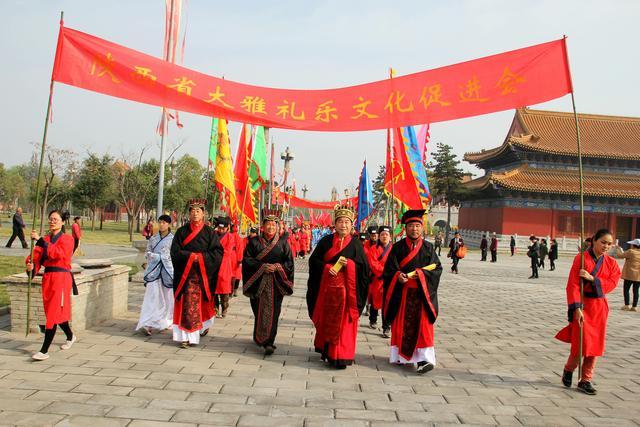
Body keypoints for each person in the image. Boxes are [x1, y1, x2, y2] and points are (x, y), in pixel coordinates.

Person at [555, 229, 620, 395]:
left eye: (609, 243)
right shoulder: (581, 258)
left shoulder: (612, 263)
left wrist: (592, 278)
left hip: (599, 308)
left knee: (595, 347)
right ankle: (569, 369)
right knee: (580, 344)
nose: (606, 246)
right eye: (603, 242)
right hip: (583, 305)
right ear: (594, 241)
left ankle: (586, 379)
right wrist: (576, 308)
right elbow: (573, 285)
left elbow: (612, 283)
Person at [307, 204, 370, 369]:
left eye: (347, 222)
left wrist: (348, 265)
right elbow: (314, 262)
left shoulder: (356, 245)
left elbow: (364, 270)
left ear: (352, 225)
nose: (343, 225)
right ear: (335, 224)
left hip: (348, 295)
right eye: (340, 221)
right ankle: (326, 350)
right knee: (327, 321)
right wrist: (328, 268)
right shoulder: (326, 241)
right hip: (327, 291)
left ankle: (341, 355)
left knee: (344, 326)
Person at [383, 209, 443, 374]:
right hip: (403, 293)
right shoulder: (397, 248)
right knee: (402, 325)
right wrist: (398, 276)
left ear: (422, 228)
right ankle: (401, 357)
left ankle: (425, 359)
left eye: (417, 226)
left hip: (422, 294)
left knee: (423, 328)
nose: (414, 229)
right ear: (406, 228)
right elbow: (388, 270)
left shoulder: (429, 248)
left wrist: (422, 275)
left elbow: (437, 269)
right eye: (411, 226)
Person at [171, 199, 223, 348]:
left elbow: (217, 252)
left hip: (202, 276)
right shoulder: (181, 232)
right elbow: (174, 252)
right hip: (184, 275)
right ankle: (185, 337)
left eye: (198, 211)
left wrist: (199, 258)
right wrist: (190, 257)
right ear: (189, 213)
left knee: (199, 305)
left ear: (203, 214)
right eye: (192, 211)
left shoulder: (209, 232)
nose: (195, 213)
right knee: (185, 306)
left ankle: (196, 333)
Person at [26, 210, 77, 361]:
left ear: (62, 222)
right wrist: (31, 266)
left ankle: (44, 350)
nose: (52, 221)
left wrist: (41, 241)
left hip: (61, 278)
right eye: (51, 219)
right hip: (48, 279)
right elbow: (35, 258)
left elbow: (59, 254)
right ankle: (70, 335)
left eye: (56, 219)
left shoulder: (68, 239)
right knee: (53, 312)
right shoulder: (46, 239)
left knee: (53, 313)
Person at [242, 209, 294, 355]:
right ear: (262, 226)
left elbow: (289, 263)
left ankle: (269, 342)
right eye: (268, 224)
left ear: (277, 226)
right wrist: (262, 267)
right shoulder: (253, 242)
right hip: (258, 282)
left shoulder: (283, 243)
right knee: (259, 310)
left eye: (273, 224)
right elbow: (247, 260)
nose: (271, 227)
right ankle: (259, 336)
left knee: (273, 312)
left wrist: (277, 267)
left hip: (276, 283)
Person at [136, 214, 174, 335]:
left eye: (164, 222)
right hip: (154, 271)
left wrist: (160, 257)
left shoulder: (173, 239)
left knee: (167, 298)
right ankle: (147, 323)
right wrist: (152, 257)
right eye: (160, 222)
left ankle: (166, 320)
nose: (161, 225)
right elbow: (148, 252)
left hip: (167, 272)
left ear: (169, 224)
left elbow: (174, 256)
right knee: (151, 297)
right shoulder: (153, 238)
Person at [368, 225, 392, 335]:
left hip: (390, 280)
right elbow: (373, 263)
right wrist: (384, 272)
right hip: (377, 279)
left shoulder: (394, 249)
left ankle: (386, 327)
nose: (384, 236)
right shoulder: (373, 249)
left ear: (390, 236)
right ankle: (373, 319)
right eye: (382, 234)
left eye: (386, 235)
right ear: (379, 236)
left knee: (387, 304)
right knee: (375, 301)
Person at [214, 217, 236, 317]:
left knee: (224, 290)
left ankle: (224, 308)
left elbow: (227, 251)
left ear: (227, 228)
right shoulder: (213, 235)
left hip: (224, 265)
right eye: (219, 228)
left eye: (223, 229)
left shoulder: (230, 237)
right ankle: (214, 309)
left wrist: (215, 253)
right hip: (213, 265)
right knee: (213, 290)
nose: (221, 230)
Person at [616, 238, 640, 312]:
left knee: (626, 289)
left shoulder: (631, 251)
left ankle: (627, 305)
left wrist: (618, 248)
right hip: (638, 276)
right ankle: (634, 306)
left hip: (629, 275)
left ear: (634, 245)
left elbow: (620, 255)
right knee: (636, 291)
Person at [230, 224, 244, 298]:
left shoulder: (228, 235)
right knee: (236, 274)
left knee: (229, 274)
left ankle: (230, 290)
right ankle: (234, 290)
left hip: (228, 256)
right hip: (235, 256)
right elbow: (240, 249)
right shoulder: (238, 238)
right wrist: (240, 259)